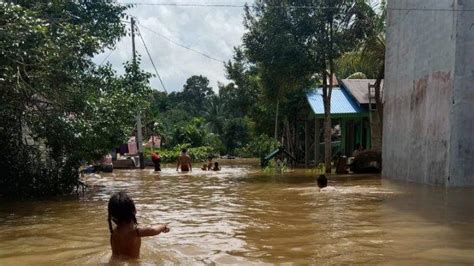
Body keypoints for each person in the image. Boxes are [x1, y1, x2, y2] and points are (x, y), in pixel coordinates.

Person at [108, 192, 170, 259]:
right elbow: (153, 230)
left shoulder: (114, 232)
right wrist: (162, 226)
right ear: (134, 210)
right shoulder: (135, 232)